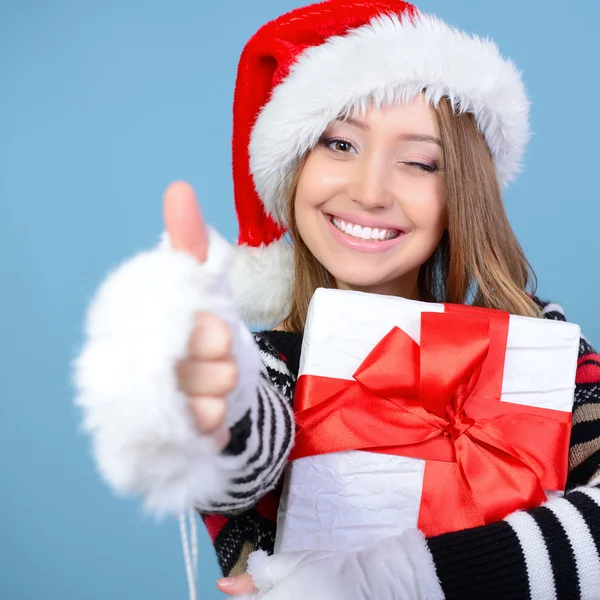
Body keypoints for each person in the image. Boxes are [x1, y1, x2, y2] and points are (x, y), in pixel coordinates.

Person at [73, 1, 600, 598]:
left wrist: (397, 582)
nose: (369, 191)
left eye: (420, 161)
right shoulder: (269, 368)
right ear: (295, 169)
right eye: (340, 145)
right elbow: (241, 462)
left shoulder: (548, 355)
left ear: (463, 193)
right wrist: (213, 401)